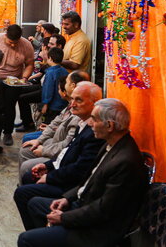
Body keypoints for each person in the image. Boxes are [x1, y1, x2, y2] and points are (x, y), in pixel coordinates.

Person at [17, 98, 149, 247]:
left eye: (94, 119)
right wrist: (67, 198)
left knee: (25, 239)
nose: (90, 123)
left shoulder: (125, 162)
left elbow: (103, 210)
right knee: (34, 203)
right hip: (84, 204)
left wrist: (64, 218)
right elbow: (89, 180)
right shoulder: (112, 144)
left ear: (110, 125)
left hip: (98, 230)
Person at [13, 82, 105, 231]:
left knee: (25, 189)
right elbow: (68, 150)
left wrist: (50, 175)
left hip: (72, 186)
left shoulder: (95, 132)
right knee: (28, 173)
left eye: (78, 100)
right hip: (61, 163)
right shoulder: (83, 122)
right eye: (72, 99)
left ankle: (39, 235)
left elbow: (80, 169)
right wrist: (48, 166)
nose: (72, 104)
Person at [19, 71, 90, 177]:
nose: (74, 103)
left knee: (26, 160)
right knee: (27, 146)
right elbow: (56, 122)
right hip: (54, 141)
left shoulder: (79, 115)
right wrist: (39, 140)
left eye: (66, 82)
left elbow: (67, 145)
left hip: (58, 149)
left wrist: (44, 150)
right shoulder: (70, 105)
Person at [0, 24, 35, 146]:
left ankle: (8, 132)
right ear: (5, 35)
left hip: (14, 82)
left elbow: (30, 64)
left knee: (10, 106)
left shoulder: (26, 45)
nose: (13, 45)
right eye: (10, 42)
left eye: (16, 42)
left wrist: (24, 78)